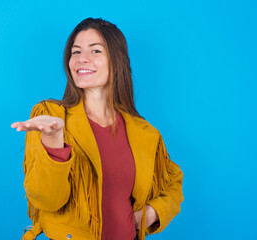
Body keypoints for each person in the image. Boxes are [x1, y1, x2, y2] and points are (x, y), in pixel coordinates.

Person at [11, 18, 183, 240]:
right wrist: (53, 139)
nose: (82, 59)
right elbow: (46, 200)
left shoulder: (145, 132)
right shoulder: (51, 117)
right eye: (75, 52)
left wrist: (153, 212)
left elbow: (173, 183)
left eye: (95, 51)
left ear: (116, 60)